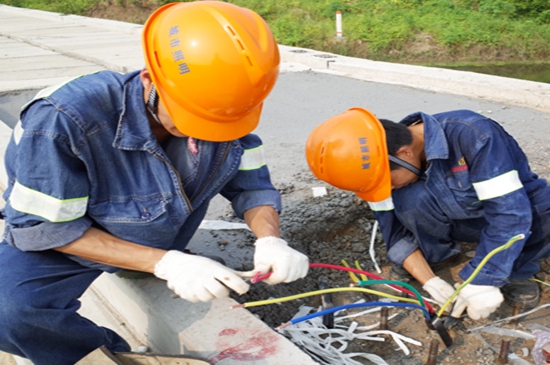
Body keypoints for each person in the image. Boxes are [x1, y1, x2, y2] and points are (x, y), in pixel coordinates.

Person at [0, 2, 309, 364]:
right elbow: (44, 229)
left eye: (219, 124)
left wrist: (270, 238)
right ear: (149, 79)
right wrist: (166, 264)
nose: (205, 133)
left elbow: (252, 186)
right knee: (10, 311)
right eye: (191, 119)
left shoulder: (223, 111)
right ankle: (106, 354)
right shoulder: (63, 120)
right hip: (73, 241)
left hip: (157, 236)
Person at [305, 107, 550, 320]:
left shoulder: (473, 134)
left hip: (516, 215)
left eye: (387, 182)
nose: (386, 190)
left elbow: (509, 214)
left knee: (543, 212)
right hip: (459, 217)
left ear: (403, 154)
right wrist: (429, 280)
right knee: (409, 197)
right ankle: (439, 255)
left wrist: (486, 278)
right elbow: (394, 232)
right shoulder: (374, 167)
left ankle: (518, 269)